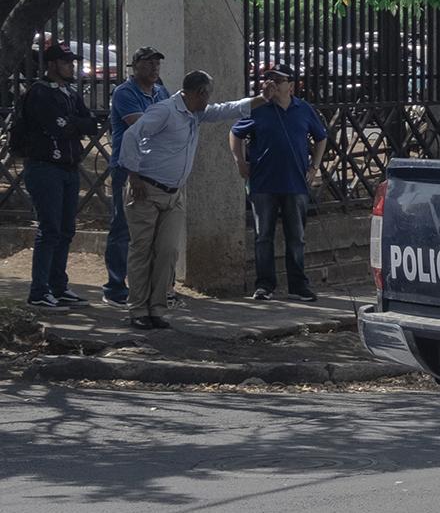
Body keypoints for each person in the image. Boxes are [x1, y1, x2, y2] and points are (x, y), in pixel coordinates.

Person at [119, 71, 266, 330]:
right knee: (142, 250)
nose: (209, 100)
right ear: (199, 93)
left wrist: (261, 99)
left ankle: (157, 307)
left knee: (167, 251)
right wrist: (134, 177)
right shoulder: (165, 111)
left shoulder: (196, 113)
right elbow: (132, 136)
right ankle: (138, 309)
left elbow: (226, 110)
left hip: (174, 193)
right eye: (207, 94)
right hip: (147, 190)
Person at [229, 63, 328, 303]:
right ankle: (264, 284)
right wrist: (240, 162)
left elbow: (321, 137)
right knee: (264, 235)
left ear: (291, 87)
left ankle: (298, 284)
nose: (272, 84)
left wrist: (314, 167)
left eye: (278, 80)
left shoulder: (303, 109)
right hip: (263, 182)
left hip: (295, 182)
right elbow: (235, 133)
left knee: (296, 236)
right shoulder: (258, 108)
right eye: (268, 79)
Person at [14, 37, 100, 309]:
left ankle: (58, 286)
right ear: (51, 64)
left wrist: (76, 123)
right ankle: (39, 291)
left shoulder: (71, 93)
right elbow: (58, 127)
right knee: (49, 229)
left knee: (66, 229)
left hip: (68, 167)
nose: (71, 66)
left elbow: (91, 124)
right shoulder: (40, 92)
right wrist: (77, 124)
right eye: (65, 62)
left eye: (72, 62)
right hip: (44, 168)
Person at [102, 46, 170, 307]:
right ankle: (115, 287)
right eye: (149, 63)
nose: (154, 68)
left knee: (151, 231)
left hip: (154, 168)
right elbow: (143, 127)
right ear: (135, 66)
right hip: (127, 168)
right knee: (122, 227)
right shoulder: (124, 93)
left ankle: (148, 286)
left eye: (157, 63)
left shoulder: (160, 91)